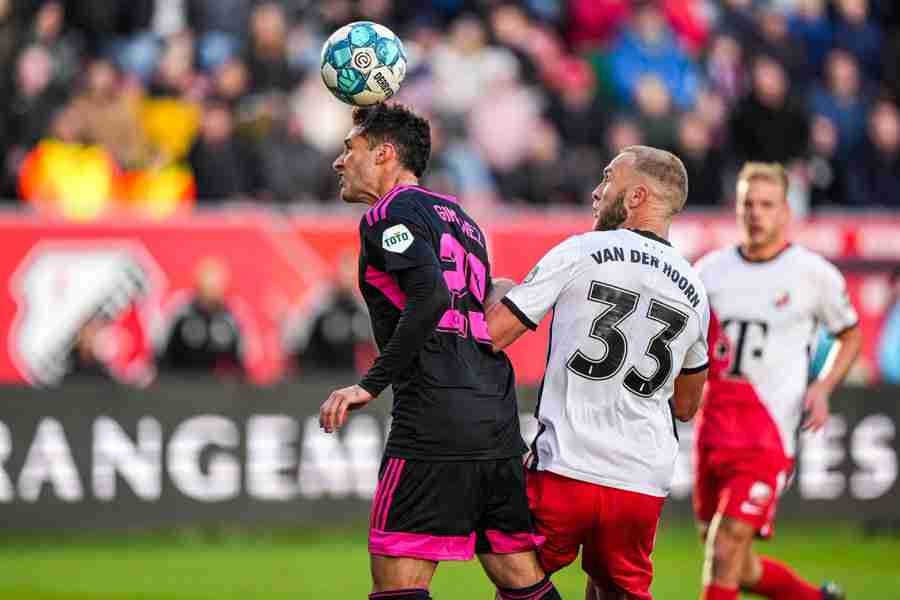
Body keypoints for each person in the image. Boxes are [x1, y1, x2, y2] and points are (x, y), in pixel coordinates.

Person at [318, 103, 559, 600]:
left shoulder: (387, 214)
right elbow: (491, 291)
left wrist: (369, 383)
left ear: (384, 153)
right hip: (495, 415)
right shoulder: (463, 219)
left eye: (350, 149)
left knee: (397, 582)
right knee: (519, 576)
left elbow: (429, 296)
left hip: (433, 417)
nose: (340, 162)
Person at [486, 145, 710, 600]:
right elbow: (687, 406)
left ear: (635, 197)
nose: (595, 190)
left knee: (517, 581)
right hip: (640, 480)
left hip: (566, 467)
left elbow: (493, 335)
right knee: (616, 588)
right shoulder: (695, 290)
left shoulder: (581, 251)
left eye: (608, 178)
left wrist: (493, 295)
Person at [693, 162, 862, 600]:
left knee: (726, 545)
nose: (755, 213)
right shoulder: (708, 272)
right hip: (713, 432)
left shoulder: (812, 273)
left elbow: (850, 335)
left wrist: (823, 387)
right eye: (747, 203)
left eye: (766, 204)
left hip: (767, 437)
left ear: (786, 212)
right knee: (733, 559)